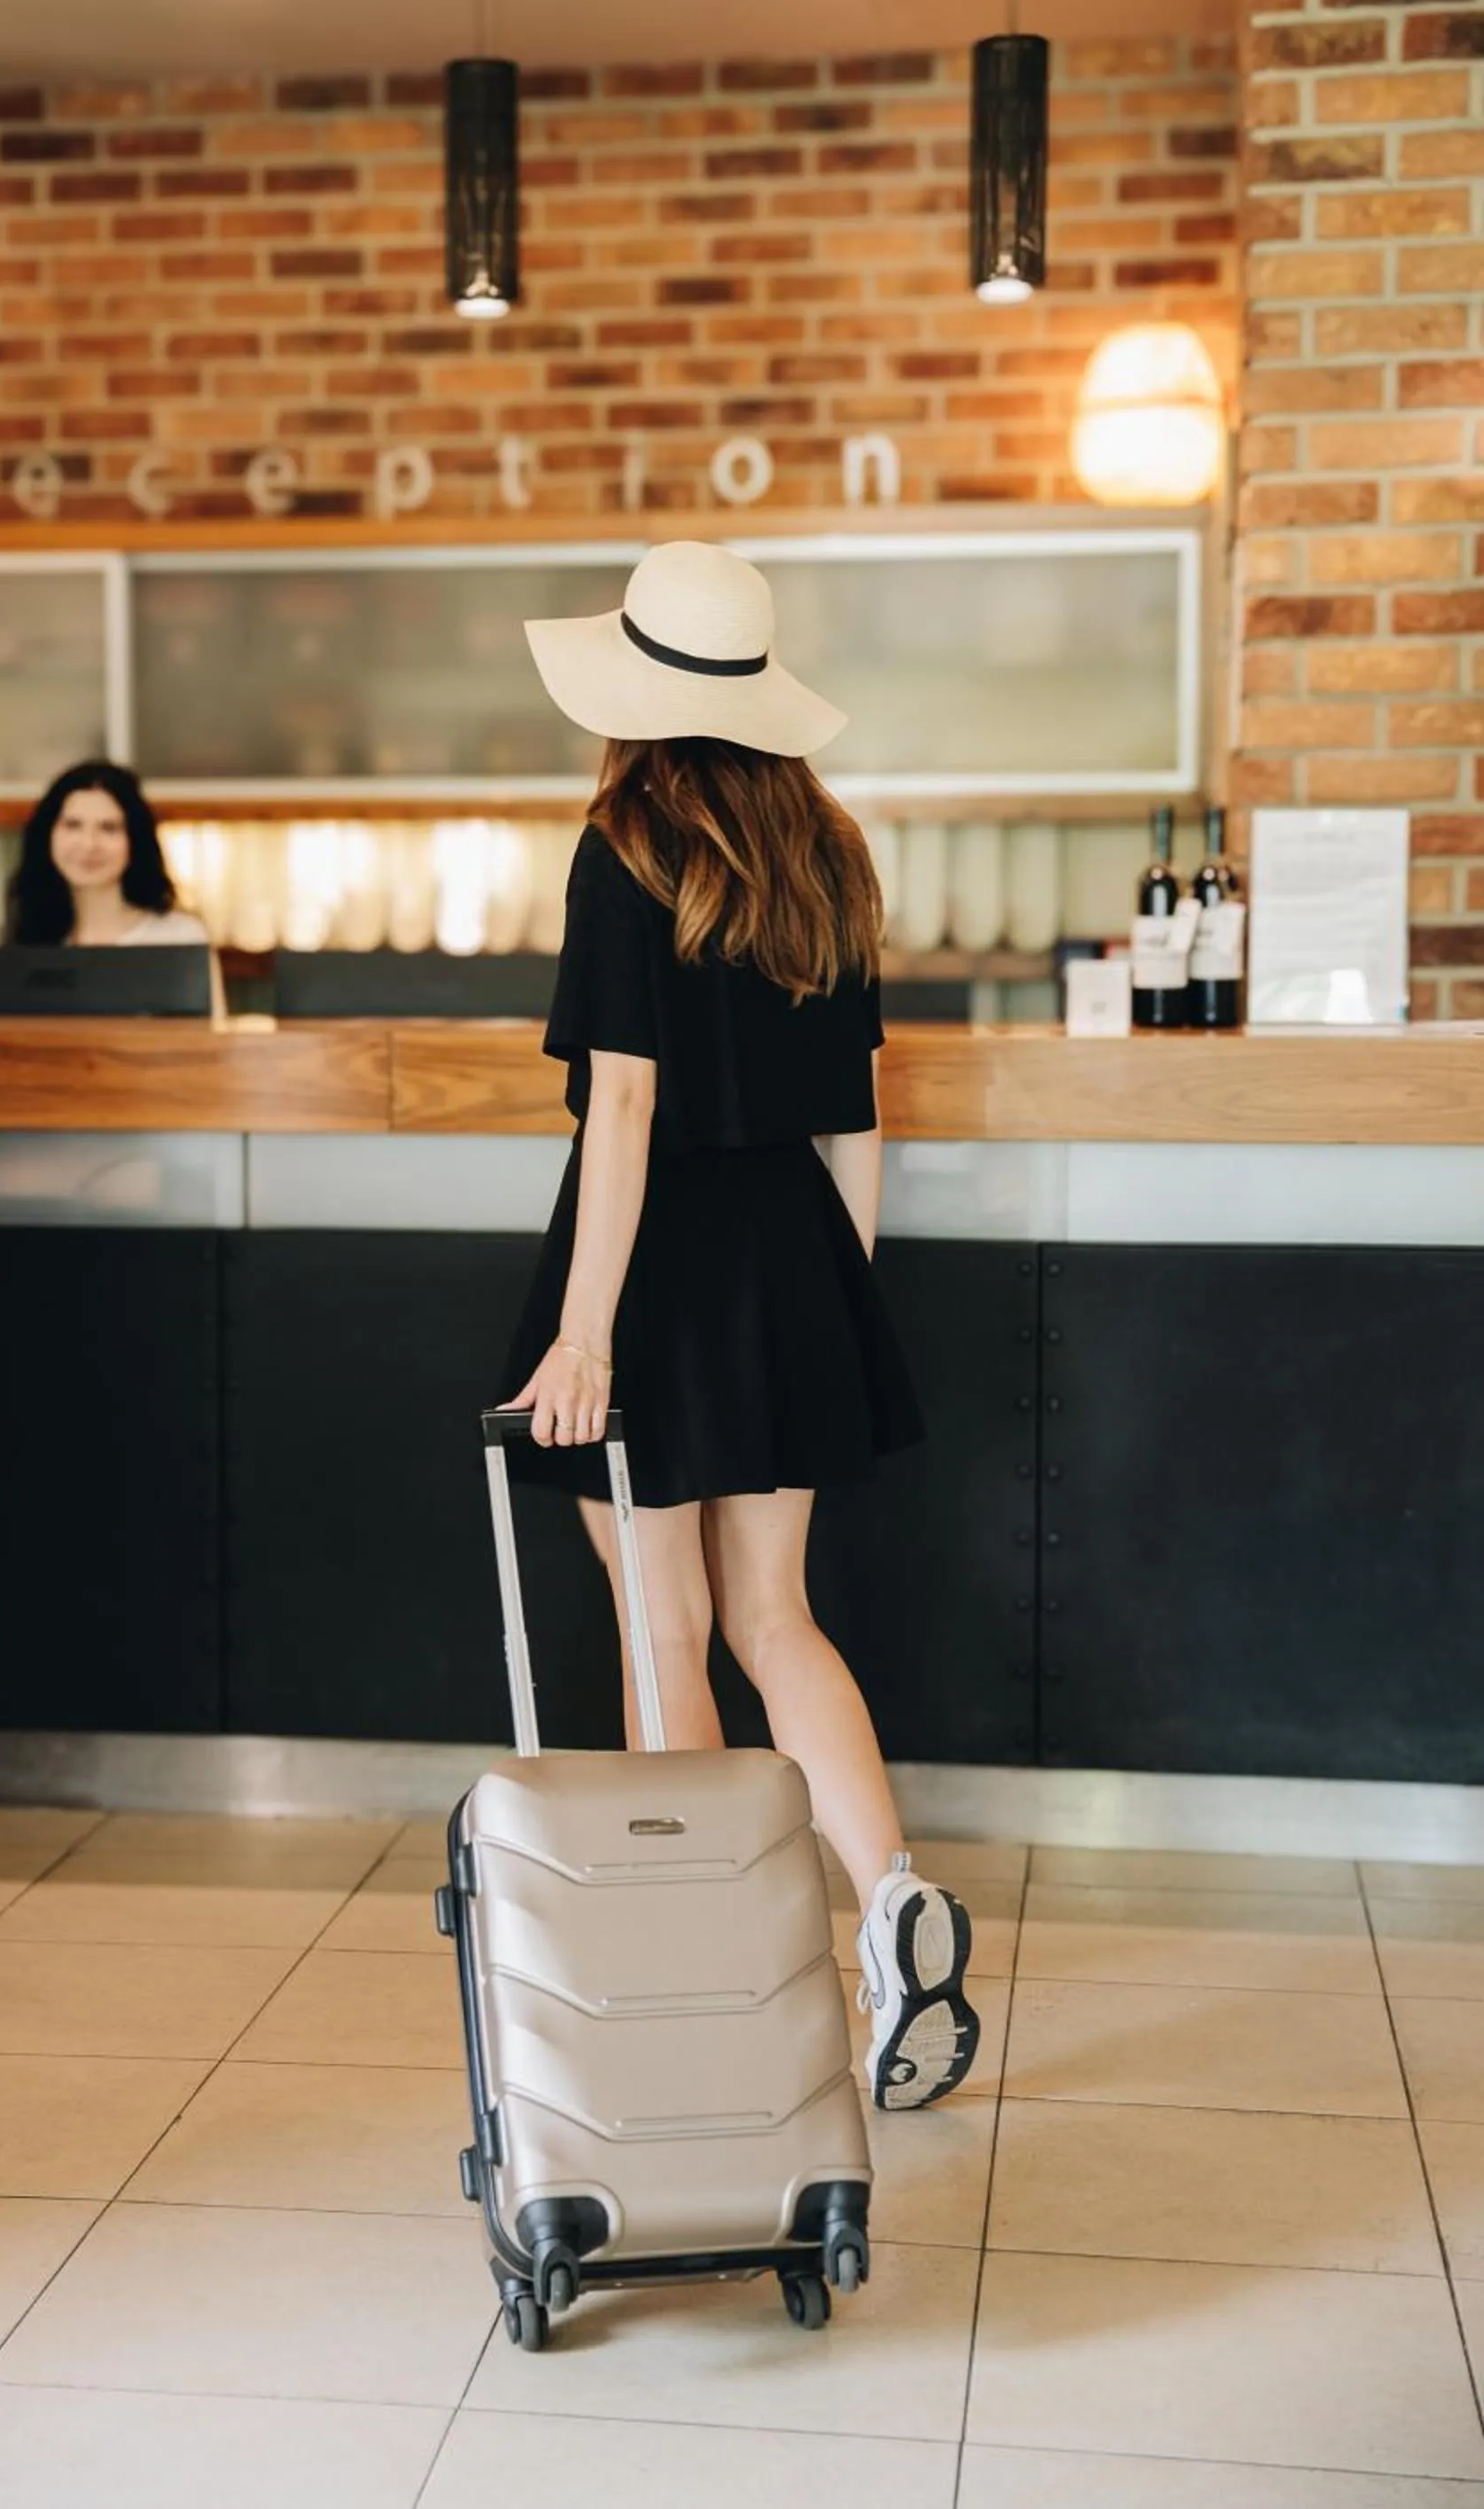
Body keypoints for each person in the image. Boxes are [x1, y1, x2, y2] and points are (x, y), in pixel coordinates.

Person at [499, 540, 977, 2112]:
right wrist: (834, 1296)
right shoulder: (826, 852)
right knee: (781, 1619)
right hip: (795, 1257)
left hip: (653, 1270)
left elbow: (621, 1106)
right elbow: (860, 1119)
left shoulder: (624, 844)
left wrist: (587, 1336)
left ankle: (708, 1968)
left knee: (662, 1627)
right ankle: (895, 1905)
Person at [6, 760, 211, 950]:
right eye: (73, 825)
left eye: (109, 828)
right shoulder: (24, 942)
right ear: (47, 835)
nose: (89, 845)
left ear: (135, 840)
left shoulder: (180, 938)